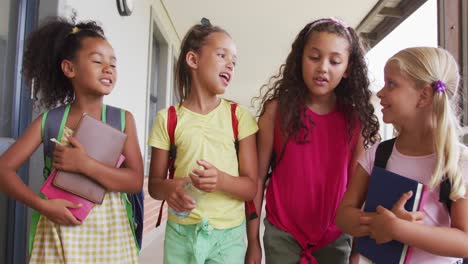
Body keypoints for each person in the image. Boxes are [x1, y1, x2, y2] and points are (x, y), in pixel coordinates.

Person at [0, 17, 143, 263]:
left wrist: (84, 164)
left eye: (113, 64)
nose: (108, 68)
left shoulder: (122, 120)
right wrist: (42, 206)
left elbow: (135, 181)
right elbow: (4, 169)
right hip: (59, 234)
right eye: (98, 61)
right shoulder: (49, 122)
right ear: (69, 68)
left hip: (110, 235)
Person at [245, 18, 380, 264]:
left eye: (335, 61)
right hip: (282, 234)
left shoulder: (355, 121)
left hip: (336, 237)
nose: (323, 68)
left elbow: (359, 193)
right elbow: (256, 179)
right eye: (314, 57)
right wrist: (252, 241)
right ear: (300, 59)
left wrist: (357, 252)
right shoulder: (276, 112)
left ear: (348, 68)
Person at [336, 47, 468, 263]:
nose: (380, 93)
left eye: (392, 84)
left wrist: (398, 229)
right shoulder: (377, 154)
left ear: (424, 95)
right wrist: (380, 222)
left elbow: (464, 241)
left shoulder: (458, 161)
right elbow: (343, 216)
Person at [147, 21, 258, 264]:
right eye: (222, 55)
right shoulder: (168, 119)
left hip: (228, 237)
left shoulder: (239, 117)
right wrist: (171, 189)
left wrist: (221, 179)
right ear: (193, 60)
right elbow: (155, 186)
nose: (230, 64)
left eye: (234, 61)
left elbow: (251, 187)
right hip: (180, 233)